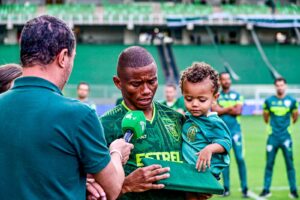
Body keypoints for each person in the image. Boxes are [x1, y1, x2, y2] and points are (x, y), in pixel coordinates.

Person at [0, 15, 133, 200]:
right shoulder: (78, 115)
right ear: (63, 57)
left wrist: (77, 182)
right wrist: (117, 152)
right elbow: (112, 187)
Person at [89, 46, 211, 200]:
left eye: (152, 81)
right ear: (118, 83)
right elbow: (91, 193)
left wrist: (197, 190)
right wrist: (126, 185)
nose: (146, 90)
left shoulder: (176, 119)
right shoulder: (103, 127)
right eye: (136, 84)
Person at [180, 62, 231, 199]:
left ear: (215, 98)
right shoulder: (189, 117)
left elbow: (226, 142)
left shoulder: (213, 121)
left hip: (203, 174)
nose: (195, 104)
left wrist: (209, 149)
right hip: (190, 172)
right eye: (189, 99)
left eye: (202, 100)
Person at [259, 77, 299, 199]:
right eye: (278, 85)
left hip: (286, 138)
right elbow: (265, 118)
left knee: (290, 165)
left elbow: (295, 116)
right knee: (269, 164)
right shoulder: (269, 101)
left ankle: (293, 190)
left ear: (285, 86)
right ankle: (266, 190)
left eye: (282, 85)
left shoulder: (292, 101)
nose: (280, 87)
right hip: (272, 138)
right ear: (275, 87)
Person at [212, 72, 249, 198]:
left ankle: (244, 188)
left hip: (236, 132)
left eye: (228, 79)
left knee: (240, 158)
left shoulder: (237, 95)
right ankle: (226, 188)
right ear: (220, 81)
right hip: (222, 133)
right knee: (225, 162)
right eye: (224, 79)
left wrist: (223, 109)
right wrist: (230, 108)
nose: (227, 81)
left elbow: (238, 111)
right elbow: (215, 110)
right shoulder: (216, 96)